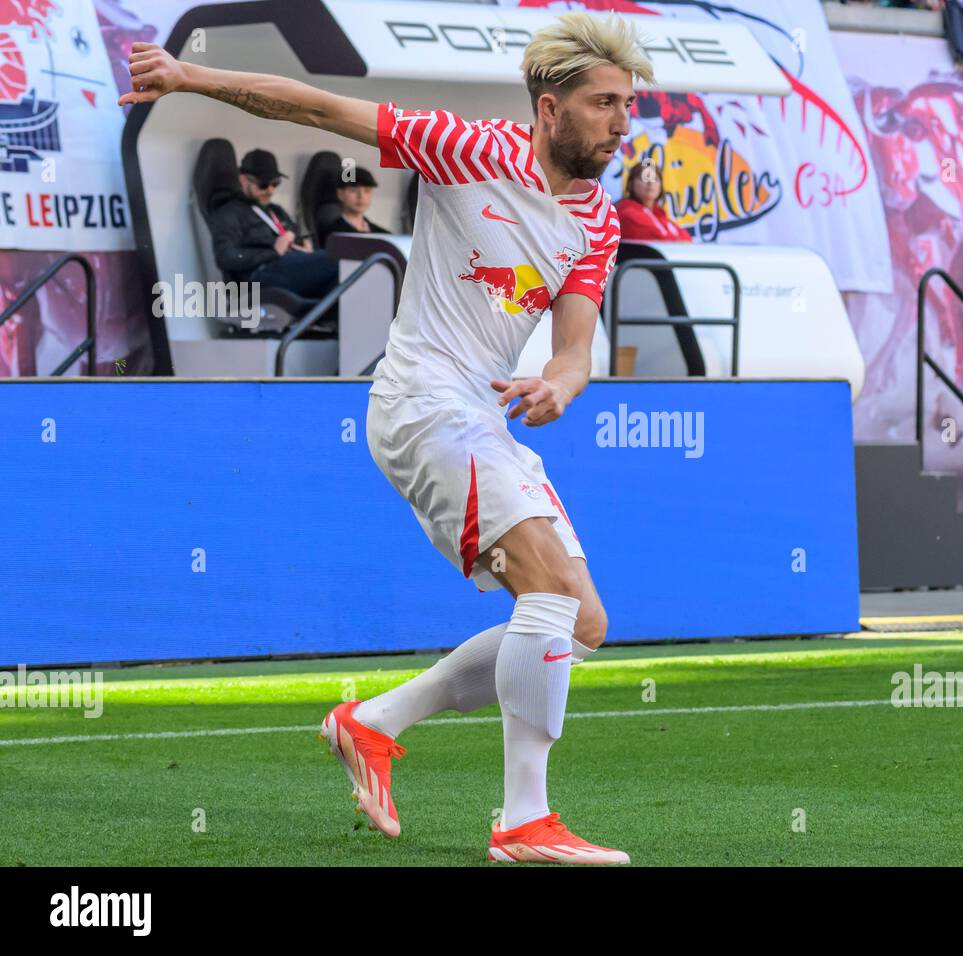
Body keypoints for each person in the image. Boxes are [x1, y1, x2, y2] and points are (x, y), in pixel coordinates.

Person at [121, 11, 650, 865]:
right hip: (420, 402)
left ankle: (373, 721)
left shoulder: (597, 221)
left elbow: (577, 345)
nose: (623, 122)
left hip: (482, 416)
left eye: (628, 104)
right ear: (549, 110)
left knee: (579, 621)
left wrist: (559, 381)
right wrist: (193, 79)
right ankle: (523, 823)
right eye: (604, 103)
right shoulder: (469, 148)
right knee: (549, 593)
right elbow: (313, 108)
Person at [208, 148, 338, 300]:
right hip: (263, 274)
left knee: (347, 280)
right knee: (340, 258)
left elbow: (294, 236)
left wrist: (305, 247)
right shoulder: (229, 213)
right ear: (243, 180)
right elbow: (226, 257)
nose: (270, 190)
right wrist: (273, 252)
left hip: (291, 265)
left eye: (275, 183)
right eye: (263, 184)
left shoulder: (275, 211)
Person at [615, 158, 692, 242]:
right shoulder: (627, 213)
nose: (650, 183)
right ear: (631, 184)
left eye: (655, 179)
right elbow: (659, 241)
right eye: (644, 178)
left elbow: (688, 240)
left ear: (660, 186)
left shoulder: (660, 215)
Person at [317, 166, 390, 248]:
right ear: (340, 194)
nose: (361, 196)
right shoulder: (331, 235)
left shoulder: (385, 236)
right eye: (353, 190)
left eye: (367, 191)